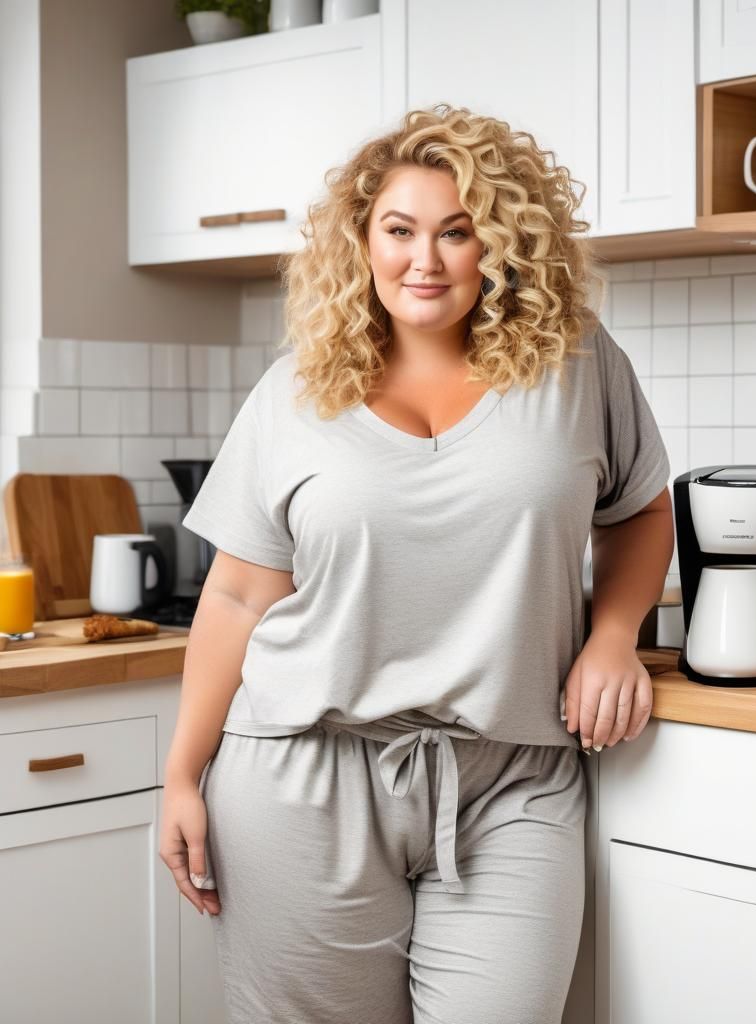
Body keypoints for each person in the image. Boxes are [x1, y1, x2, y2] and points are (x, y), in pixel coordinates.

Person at [159, 103, 675, 1024]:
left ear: (503, 243)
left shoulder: (578, 364)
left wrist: (612, 636)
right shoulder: (295, 389)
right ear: (363, 241)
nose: (425, 260)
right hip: (300, 778)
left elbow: (638, 511)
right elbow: (238, 596)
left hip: (513, 779)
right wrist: (180, 778)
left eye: (457, 231)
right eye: (399, 230)